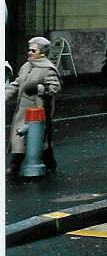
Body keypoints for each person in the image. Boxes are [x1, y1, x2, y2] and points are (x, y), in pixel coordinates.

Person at [6, 36, 63, 178]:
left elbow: (55, 87)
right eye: (29, 49)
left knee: (41, 139)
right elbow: (17, 83)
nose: (29, 52)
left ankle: (49, 163)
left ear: (42, 52)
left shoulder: (48, 68)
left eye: (33, 50)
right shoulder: (26, 66)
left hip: (38, 110)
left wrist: (39, 88)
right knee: (18, 137)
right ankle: (15, 166)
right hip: (22, 110)